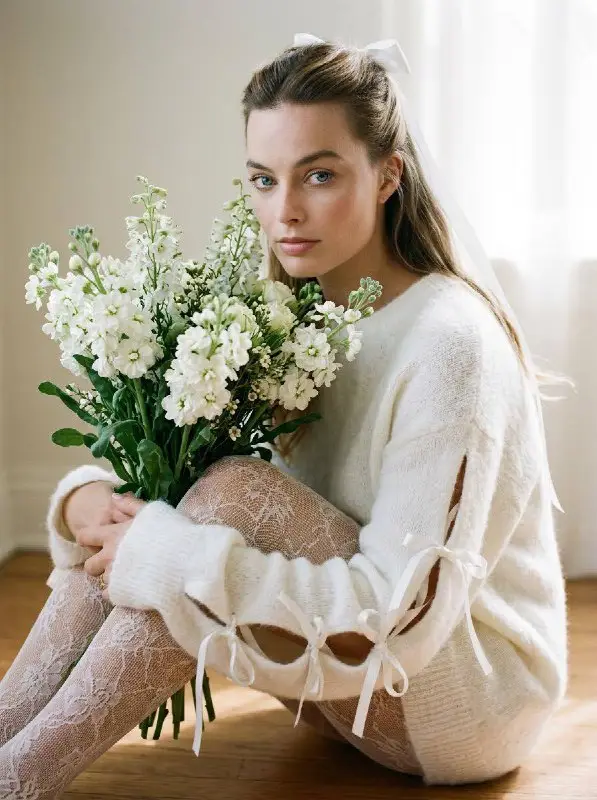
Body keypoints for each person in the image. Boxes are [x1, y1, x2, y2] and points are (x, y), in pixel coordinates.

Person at [0, 33, 573, 795]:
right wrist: (88, 503)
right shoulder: (288, 318)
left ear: (387, 176)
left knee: (223, 504)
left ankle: (16, 778)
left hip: (460, 704)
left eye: (320, 175)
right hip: (339, 679)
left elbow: (397, 620)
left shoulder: (448, 345)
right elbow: (184, 491)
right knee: (185, 515)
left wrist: (169, 555)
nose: (285, 212)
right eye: (263, 180)